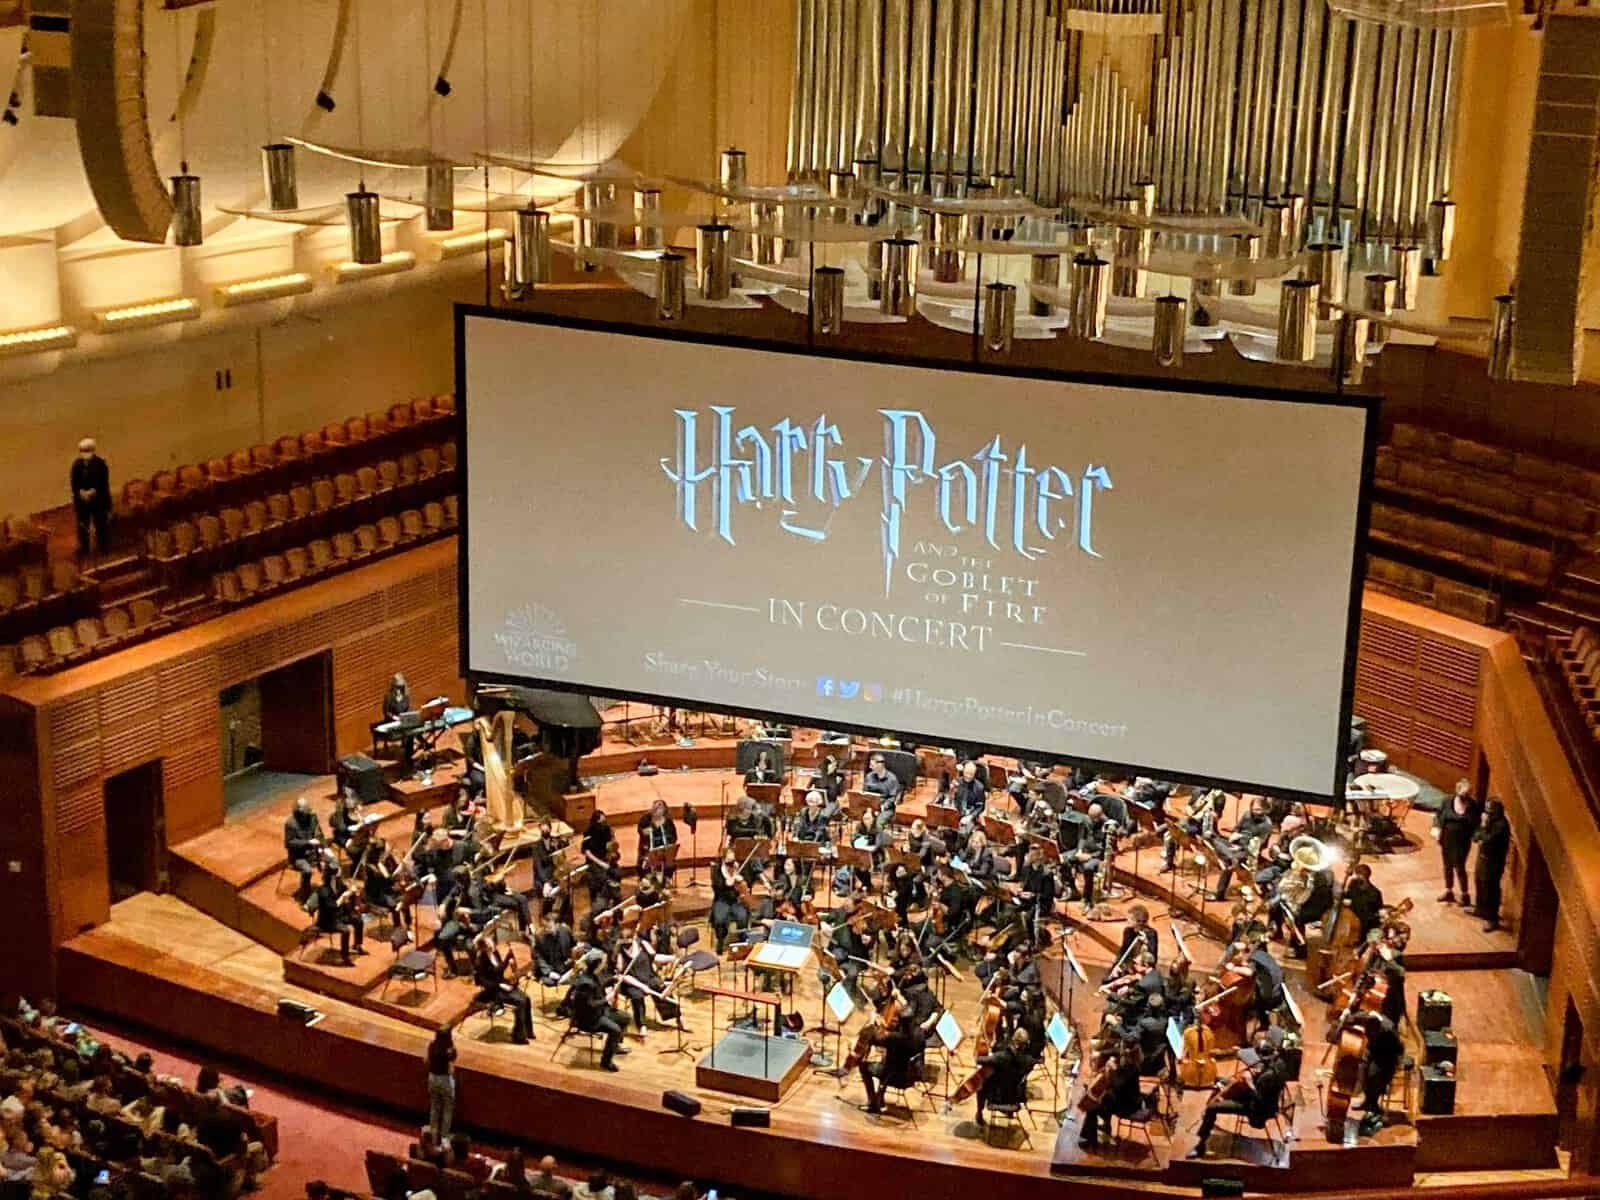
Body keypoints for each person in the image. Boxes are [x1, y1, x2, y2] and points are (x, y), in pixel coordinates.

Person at [1187, 1035, 1292, 1157]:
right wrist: (1254, 1075)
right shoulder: (1279, 1063)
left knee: (1212, 1108)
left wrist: (1250, 1083)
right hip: (1265, 1100)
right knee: (1220, 1080)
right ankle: (1209, 1116)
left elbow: (1259, 1101)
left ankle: (1200, 1146)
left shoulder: (1268, 1077)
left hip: (1258, 1110)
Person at [561, 950, 629, 1071]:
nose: (605, 964)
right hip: (588, 1019)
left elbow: (597, 989)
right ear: (597, 964)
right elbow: (589, 1005)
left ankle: (614, 1046)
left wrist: (611, 980)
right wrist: (606, 999)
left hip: (598, 1012)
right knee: (616, 1030)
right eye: (603, 962)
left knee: (625, 1017)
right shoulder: (585, 983)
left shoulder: (591, 975)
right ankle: (606, 1062)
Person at [1077, 1039, 1143, 1149]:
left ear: (1125, 1049)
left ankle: (1090, 1141)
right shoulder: (1129, 1059)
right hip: (1124, 1098)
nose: (1119, 1047)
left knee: (1091, 1108)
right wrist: (1100, 1054)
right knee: (1104, 1098)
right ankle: (1105, 1127)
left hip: (1128, 1106)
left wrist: (1109, 1071)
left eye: (1121, 1045)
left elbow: (1117, 1085)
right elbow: (1115, 1050)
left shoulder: (1130, 1067)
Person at [857, 1010, 923, 1114]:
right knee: (888, 1062)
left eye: (897, 1020)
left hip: (896, 1077)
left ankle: (872, 1102)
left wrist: (872, 1022)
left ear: (901, 1023)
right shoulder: (919, 1033)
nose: (894, 1020)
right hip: (912, 1075)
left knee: (863, 1066)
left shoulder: (895, 1038)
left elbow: (873, 1038)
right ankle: (880, 1097)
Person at [471, 938, 532, 1044]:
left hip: (502, 985)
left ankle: (527, 1030)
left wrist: (508, 960)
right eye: (490, 944)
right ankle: (518, 1036)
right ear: (484, 948)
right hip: (493, 991)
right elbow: (483, 983)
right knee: (521, 1002)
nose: (493, 945)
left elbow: (499, 970)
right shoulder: (479, 962)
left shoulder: (495, 953)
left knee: (527, 998)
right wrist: (500, 985)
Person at [1433, 779, 1480, 906]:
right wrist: (1437, 829)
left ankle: (1465, 895)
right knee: (1447, 865)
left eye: (1467, 794)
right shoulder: (1447, 801)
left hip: (1462, 842)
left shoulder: (1473, 805)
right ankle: (1449, 891)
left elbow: (1476, 823)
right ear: (1457, 791)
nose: (1465, 797)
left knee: (1459, 867)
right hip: (1446, 839)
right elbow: (1438, 816)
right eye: (1462, 794)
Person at [1471, 797, 1511, 932]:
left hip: (1494, 862)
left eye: (1490, 811)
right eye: (1486, 810)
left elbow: (1487, 841)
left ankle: (1492, 918)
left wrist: (1483, 826)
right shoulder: (1489, 821)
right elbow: (1476, 837)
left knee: (1491, 889)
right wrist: (1481, 831)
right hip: (1483, 857)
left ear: (1497, 812)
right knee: (1479, 882)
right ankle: (1480, 909)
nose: (1487, 813)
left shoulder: (1501, 825)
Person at [70, 437, 112, 558]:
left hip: (98, 500)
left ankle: (104, 548)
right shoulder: (76, 465)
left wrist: (93, 491)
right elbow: (74, 483)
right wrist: (81, 492)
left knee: (101, 524)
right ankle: (84, 549)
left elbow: (103, 482)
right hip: (82, 502)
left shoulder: (100, 464)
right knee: (83, 525)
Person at [310, 869, 363, 962]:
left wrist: (352, 891)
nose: (340, 878)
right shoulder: (323, 891)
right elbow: (332, 906)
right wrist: (344, 896)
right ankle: (345, 957)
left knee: (358, 920)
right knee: (345, 931)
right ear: (331, 878)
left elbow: (346, 891)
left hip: (339, 916)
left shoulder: (338, 885)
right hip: (327, 921)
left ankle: (357, 945)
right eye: (337, 877)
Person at [283, 796, 326, 898]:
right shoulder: (290, 823)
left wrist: (323, 847)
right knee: (307, 870)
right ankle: (304, 895)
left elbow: (319, 833)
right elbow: (289, 843)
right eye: (303, 814)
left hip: (314, 852)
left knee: (332, 861)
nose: (305, 816)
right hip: (299, 856)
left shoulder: (312, 817)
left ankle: (329, 892)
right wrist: (308, 842)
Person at [426, 1027, 456, 1139]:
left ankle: (432, 1135)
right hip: (445, 1079)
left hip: (432, 1077)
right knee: (447, 1108)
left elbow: (427, 1060)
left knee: (434, 1107)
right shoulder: (449, 1049)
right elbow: (452, 1062)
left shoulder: (432, 1045)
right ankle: (444, 1136)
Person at [1342, 863, 1386, 937]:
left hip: (1364, 926)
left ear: (1362, 876)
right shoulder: (1354, 885)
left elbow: (1378, 912)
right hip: (1350, 922)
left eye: (1357, 875)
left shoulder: (1375, 893)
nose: (1355, 877)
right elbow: (1346, 897)